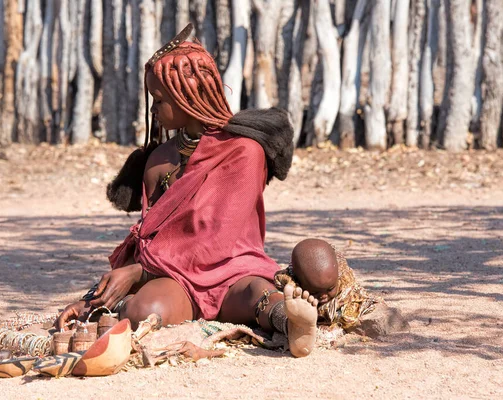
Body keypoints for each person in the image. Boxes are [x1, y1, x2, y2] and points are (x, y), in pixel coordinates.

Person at [56, 24, 318, 358]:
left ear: (187, 96)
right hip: (174, 277)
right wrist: (91, 300)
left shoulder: (244, 151)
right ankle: (279, 319)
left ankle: (293, 324)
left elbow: (216, 240)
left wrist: (139, 272)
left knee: (258, 295)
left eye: (159, 100)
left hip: (232, 268)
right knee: (143, 311)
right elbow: (150, 240)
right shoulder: (158, 160)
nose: (153, 111)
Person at [274, 238, 381, 331]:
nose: (323, 296)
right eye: (315, 292)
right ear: (298, 281)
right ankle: (295, 328)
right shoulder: (291, 287)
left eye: (330, 289)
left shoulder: (345, 286)